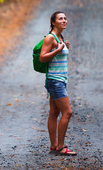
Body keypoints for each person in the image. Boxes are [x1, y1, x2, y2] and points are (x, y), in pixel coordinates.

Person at [39, 11, 77, 156]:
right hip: (55, 81)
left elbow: (57, 57)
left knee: (54, 113)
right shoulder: (50, 38)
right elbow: (43, 57)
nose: (64, 20)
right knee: (67, 112)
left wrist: (64, 47)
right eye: (60, 18)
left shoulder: (60, 37)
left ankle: (54, 146)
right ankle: (61, 147)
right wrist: (58, 50)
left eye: (65, 18)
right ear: (53, 22)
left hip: (59, 80)